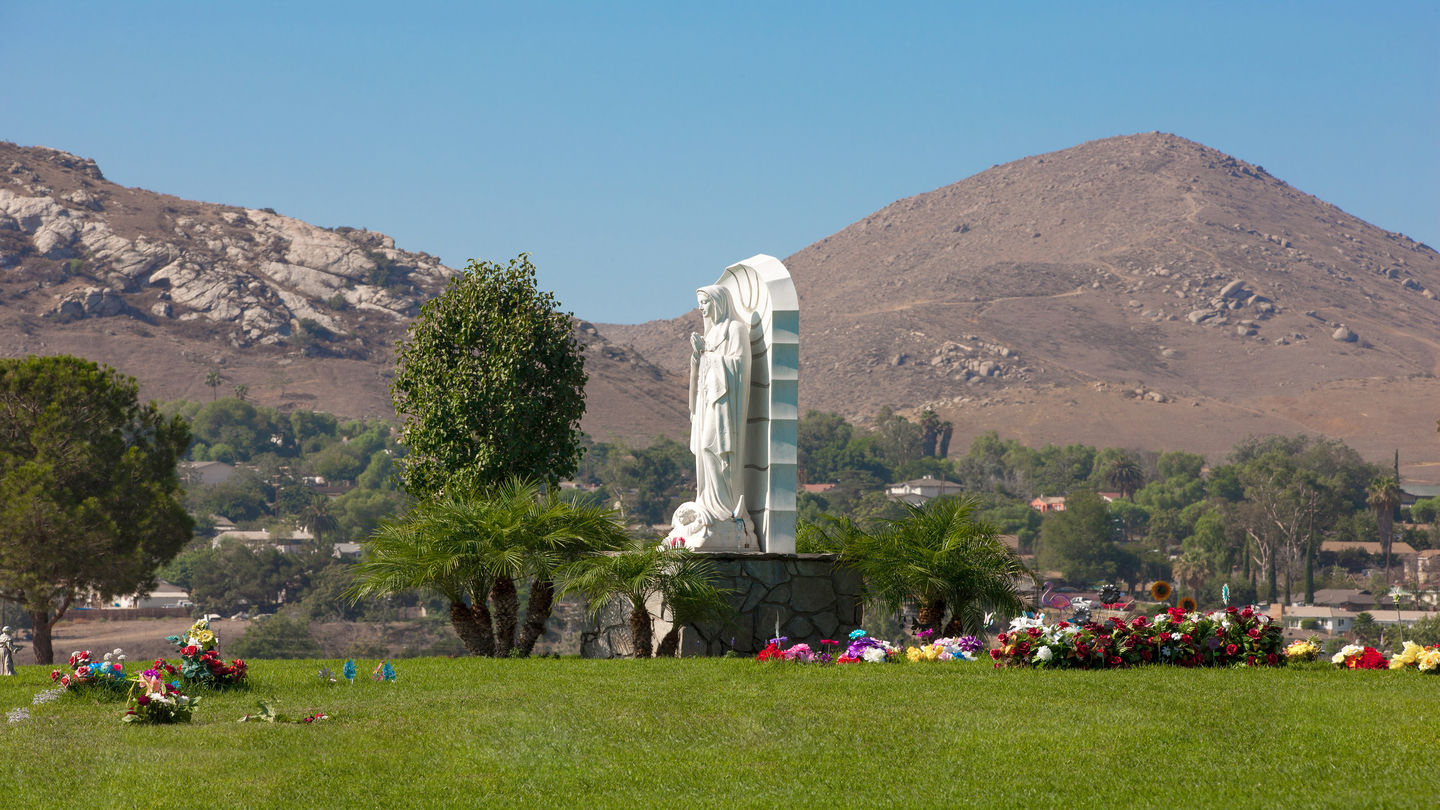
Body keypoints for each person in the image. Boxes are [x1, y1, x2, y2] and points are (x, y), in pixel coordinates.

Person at [689, 285, 751, 529]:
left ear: (719, 303)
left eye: (705, 302)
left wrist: (709, 356)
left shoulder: (735, 329)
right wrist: (697, 356)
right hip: (708, 401)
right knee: (704, 450)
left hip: (725, 404)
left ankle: (724, 508)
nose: (701, 308)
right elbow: (700, 370)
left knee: (711, 446)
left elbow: (740, 366)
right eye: (700, 303)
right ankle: (708, 503)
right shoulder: (711, 333)